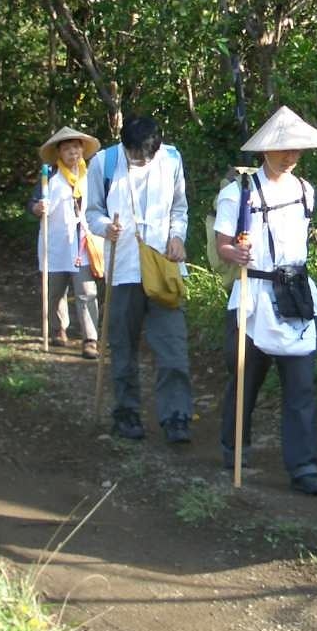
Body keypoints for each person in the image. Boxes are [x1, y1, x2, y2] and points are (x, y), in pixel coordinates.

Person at [213, 106, 317, 496]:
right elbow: (222, 244)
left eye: (296, 149)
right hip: (253, 295)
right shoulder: (238, 192)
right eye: (284, 149)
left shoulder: (305, 191)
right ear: (266, 149)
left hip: (296, 295)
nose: (291, 156)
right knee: (245, 378)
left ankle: (304, 467)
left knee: (301, 384)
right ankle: (234, 447)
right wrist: (235, 253)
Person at [85, 115, 194, 443]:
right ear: (125, 145)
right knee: (122, 346)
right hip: (123, 269)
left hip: (164, 267)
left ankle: (176, 417)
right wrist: (106, 227)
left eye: (147, 155)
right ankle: (126, 413)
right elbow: (92, 212)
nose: (141, 160)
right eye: (135, 155)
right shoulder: (104, 163)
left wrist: (177, 237)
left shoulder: (172, 159)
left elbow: (179, 209)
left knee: (173, 346)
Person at [28, 126, 103, 359]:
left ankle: (90, 339)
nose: (73, 153)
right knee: (54, 292)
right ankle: (58, 329)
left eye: (76, 148)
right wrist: (38, 208)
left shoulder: (92, 176)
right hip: (56, 243)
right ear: (59, 153)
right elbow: (32, 203)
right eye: (67, 149)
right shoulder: (49, 177)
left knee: (87, 292)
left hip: (83, 243)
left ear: (82, 150)